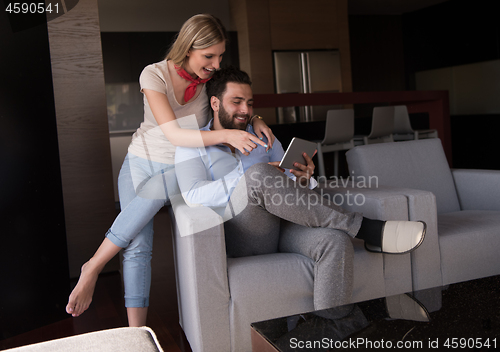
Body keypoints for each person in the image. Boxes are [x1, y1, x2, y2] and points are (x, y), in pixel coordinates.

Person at [66, 14, 276, 327]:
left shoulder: (209, 84)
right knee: (138, 244)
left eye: (219, 56)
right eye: (209, 56)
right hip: (139, 161)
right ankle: (137, 335)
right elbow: (174, 134)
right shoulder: (154, 75)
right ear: (188, 47)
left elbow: (234, 105)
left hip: (182, 167)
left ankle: (94, 264)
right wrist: (227, 135)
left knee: (158, 195)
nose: (216, 64)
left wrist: (254, 118)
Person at [174, 66, 426, 310]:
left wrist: (303, 179)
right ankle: (368, 229)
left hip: (283, 226)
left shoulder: (265, 138)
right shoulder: (193, 144)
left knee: (335, 241)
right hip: (242, 232)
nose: (245, 110)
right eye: (236, 102)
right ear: (216, 104)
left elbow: (289, 191)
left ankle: (332, 330)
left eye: (250, 103)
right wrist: (249, 180)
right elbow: (193, 195)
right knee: (259, 174)